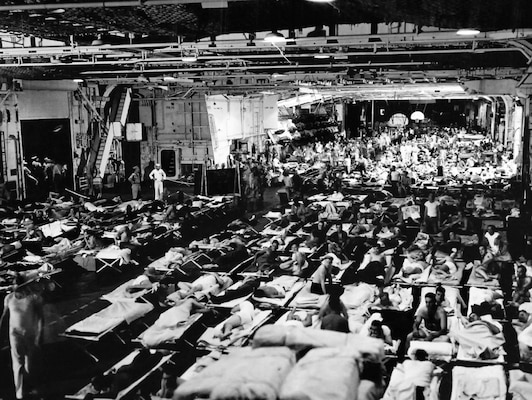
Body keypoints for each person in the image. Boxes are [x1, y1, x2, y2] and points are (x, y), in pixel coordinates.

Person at [0, 275, 44, 400]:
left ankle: (32, 387)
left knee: (30, 364)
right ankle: (20, 393)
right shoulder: (9, 298)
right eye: (14, 285)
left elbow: (40, 317)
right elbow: (4, 317)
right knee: (17, 363)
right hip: (15, 334)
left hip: (30, 335)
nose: (16, 287)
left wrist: (39, 335)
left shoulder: (34, 298)